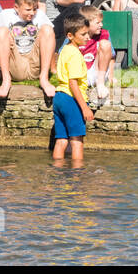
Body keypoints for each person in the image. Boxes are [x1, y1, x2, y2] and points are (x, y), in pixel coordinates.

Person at [0, 0, 56, 100]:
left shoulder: (40, 15)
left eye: (34, 9)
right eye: (28, 9)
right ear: (16, 8)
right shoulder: (5, 15)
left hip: (35, 63)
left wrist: (53, 68)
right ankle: (6, 80)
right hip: (16, 63)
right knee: (1, 31)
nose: (32, 13)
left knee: (48, 29)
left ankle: (44, 79)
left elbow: (49, 39)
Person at [51, 12, 93, 166]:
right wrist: (84, 108)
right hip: (71, 100)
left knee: (61, 139)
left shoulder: (65, 50)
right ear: (70, 35)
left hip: (59, 98)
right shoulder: (75, 54)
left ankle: (57, 169)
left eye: (88, 33)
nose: (87, 37)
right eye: (83, 34)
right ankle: (78, 175)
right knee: (76, 140)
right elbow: (73, 83)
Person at [78, 5, 115, 103]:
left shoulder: (104, 34)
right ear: (86, 24)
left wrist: (111, 75)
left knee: (105, 44)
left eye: (101, 22)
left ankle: (100, 84)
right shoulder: (76, 35)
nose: (101, 25)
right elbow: (63, 53)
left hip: (98, 72)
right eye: (97, 22)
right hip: (80, 73)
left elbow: (112, 57)